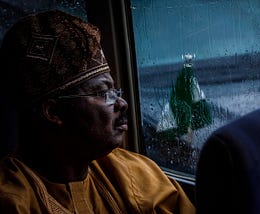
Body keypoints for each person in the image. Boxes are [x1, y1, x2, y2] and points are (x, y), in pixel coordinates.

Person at [0, 9, 195, 213]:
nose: (122, 103)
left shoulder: (136, 174)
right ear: (53, 112)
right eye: (103, 93)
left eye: (114, 91)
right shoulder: (12, 200)